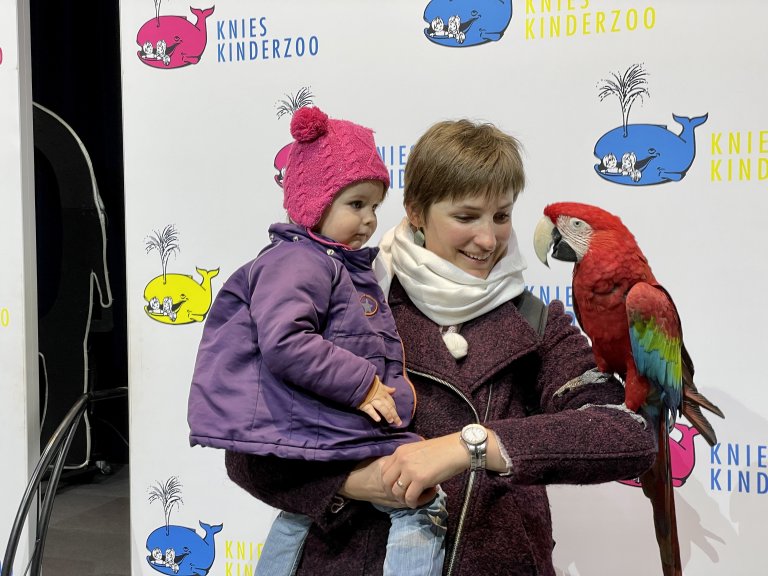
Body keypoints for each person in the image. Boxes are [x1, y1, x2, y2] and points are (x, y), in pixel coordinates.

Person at [223, 118, 658, 576]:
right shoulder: (340, 301)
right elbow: (249, 452)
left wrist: (472, 445)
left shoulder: (535, 320)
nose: (488, 239)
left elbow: (625, 434)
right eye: (466, 217)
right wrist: (354, 482)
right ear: (416, 212)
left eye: (502, 215)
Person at [187, 105, 447, 576]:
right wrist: (364, 385)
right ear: (313, 201)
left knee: (301, 513)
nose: (369, 220)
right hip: (319, 422)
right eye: (355, 204)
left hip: (321, 425)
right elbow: (285, 341)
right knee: (419, 502)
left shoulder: (335, 265)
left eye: (374, 206)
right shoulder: (299, 262)